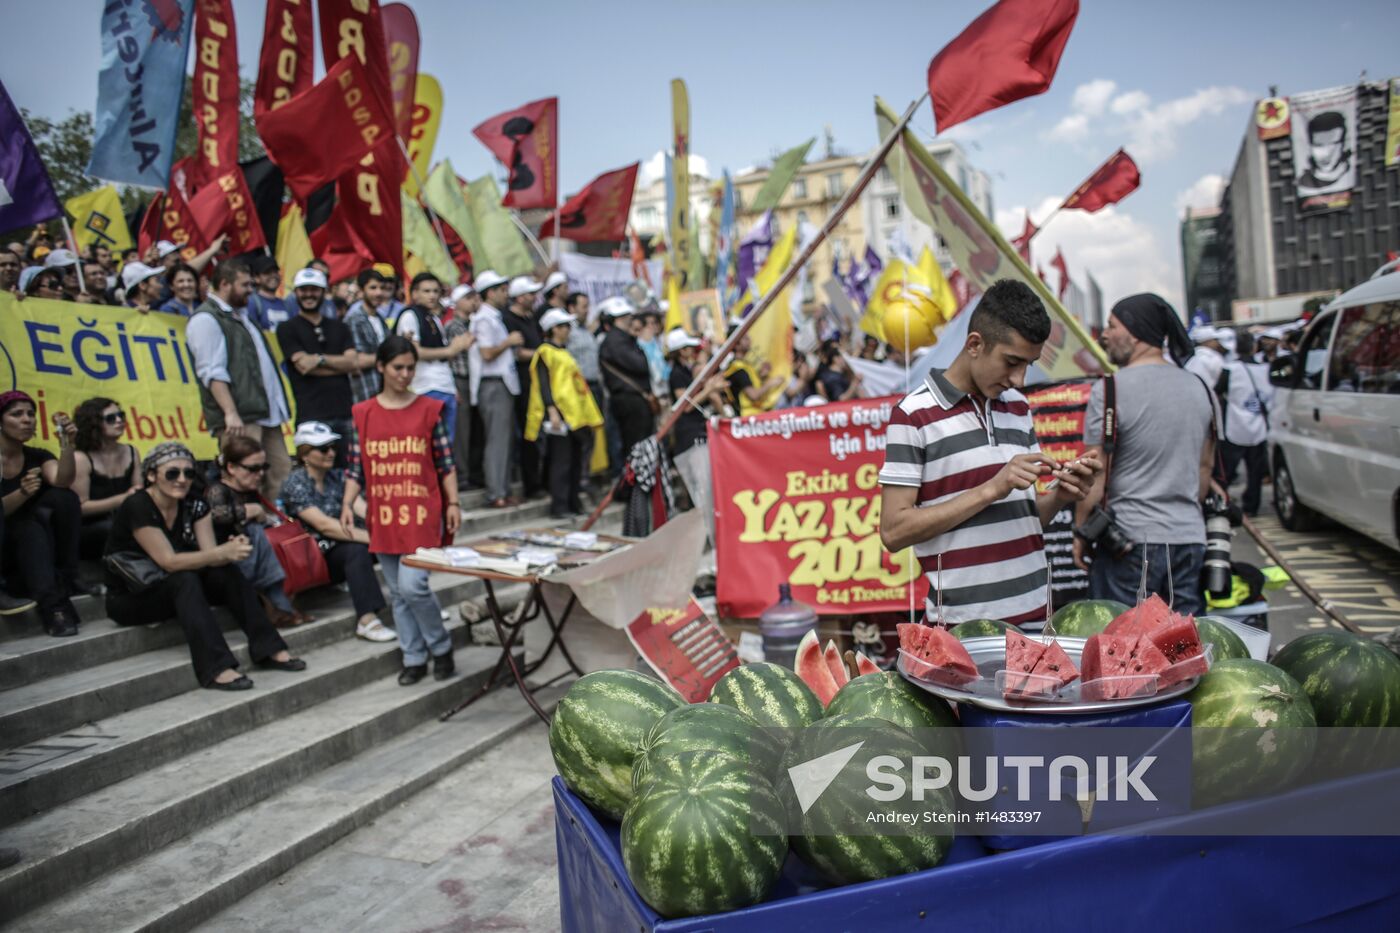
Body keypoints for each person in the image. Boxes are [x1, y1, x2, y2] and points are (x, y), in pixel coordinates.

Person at [879, 280, 1102, 626]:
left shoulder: (1018, 406)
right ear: (974, 344)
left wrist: (1062, 495)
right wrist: (992, 488)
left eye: (1028, 364)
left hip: (1036, 621)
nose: (1019, 378)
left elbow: (1024, 520)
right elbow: (893, 532)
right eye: (1011, 361)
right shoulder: (913, 414)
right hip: (963, 631)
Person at [104, 442, 305, 690]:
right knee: (184, 579)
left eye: (188, 473)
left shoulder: (195, 504)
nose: (181, 479)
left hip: (175, 586)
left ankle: (268, 646)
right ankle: (216, 666)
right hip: (132, 595)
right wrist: (219, 553)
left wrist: (232, 550)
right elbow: (168, 561)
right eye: (172, 473)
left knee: (224, 572)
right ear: (151, 475)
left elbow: (209, 556)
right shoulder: (138, 505)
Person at [1073, 293, 1219, 616]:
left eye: (1112, 326)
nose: (1104, 335)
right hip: (1190, 544)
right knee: (1183, 653)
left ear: (1135, 333)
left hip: (1130, 547)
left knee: (1124, 653)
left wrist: (1081, 531)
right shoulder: (1202, 388)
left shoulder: (1110, 390)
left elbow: (1094, 474)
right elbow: (1204, 474)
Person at [342, 337, 461, 685]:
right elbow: (354, 468)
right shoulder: (363, 414)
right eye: (398, 367)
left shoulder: (428, 409)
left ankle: (440, 648)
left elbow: (446, 463)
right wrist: (347, 504)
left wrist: (453, 502)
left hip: (423, 513)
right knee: (397, 592)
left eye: (411, 367)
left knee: (412, 587)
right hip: (384, 513)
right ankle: (414, 657)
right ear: (380, 367)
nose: (405, 374)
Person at [187, 261, 293, 498]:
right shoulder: (206, 319)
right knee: (244, 478)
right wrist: (230, 412)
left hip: (265, 413)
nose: (250, 290)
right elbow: (212, 371)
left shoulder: (241, 316)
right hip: (241, 417)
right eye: (244, 284)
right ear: (224, 284)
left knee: (280, 471)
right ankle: (248, 528)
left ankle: (277, 527)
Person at [281, 422, 394, 643]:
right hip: (313, 558)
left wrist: (388, 530)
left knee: (387, 545)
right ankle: (367, 618)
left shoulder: (338, 477)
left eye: (332, 447)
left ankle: (415, 601)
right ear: (304, 453)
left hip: (343, 547)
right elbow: (324, 526)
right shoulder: (295, 483)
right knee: (357, 549)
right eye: (323, 449)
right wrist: (377, 539)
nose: (331, 453)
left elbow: (363, 509)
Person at [0, 392, 88, 636]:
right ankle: (54, 608)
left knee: (64, 497)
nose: (27, 420)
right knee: (28, 529)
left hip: (35, 547)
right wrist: (22, 494)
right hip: (6, 547)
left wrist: (67, 444)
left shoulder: (37, 456)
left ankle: (66, 576)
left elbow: (62, 480)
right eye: (16, 414)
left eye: (30, 414)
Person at [206, 433, 309, 628]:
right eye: (253, 469)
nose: (260, 474)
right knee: (255, 533)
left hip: (254, 556)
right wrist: (248, 511)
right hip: (229, 560)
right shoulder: (218, 490)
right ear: (231, 468)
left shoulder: (250, 490)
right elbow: (216, 515)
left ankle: (280, 605)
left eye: (263, 467)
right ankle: (279, 606)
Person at [276, 267, 363, 462]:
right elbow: (303, 366)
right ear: (296, 292)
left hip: (344, 412)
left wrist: (319, 360)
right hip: (311, 413)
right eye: (303, 289)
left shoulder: (340, 327)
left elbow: (354, 363)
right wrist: (338, 364)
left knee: (347, 472)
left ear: (324, 292)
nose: (309, 294)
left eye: (314, 289)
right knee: (312, 474)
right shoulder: (287, 329)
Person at [526, 309, 604, 519]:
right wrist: (552, 411)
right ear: (553, 329)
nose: (567, 330)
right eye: (563, 326)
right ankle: (559, 505)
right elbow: (544, 384)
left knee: (576, 460)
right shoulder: (545, 352)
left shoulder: (564, 352)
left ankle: (573, 502)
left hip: (576, 414)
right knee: (562, 461)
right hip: (560, 415)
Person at [395, 272, 473, 444]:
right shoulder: (410, 316)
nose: (432, 296)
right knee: (429, 443)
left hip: (444, 386)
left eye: (435, 291)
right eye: (426, 291)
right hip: (424, 387)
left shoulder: (434, 318)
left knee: (446, 444)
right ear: (414, 293)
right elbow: (414, 352)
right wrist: (451, 350)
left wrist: (452, 387)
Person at [666, 328, 727, 544]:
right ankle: (713, 540)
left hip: (698, 435)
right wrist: (708, 389)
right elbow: (685, 406)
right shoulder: (676, 374)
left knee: (709, 490)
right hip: (690, 439)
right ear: (680, 351)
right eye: (687, 348)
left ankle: (716, 538)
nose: (691, 351)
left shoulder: (685, 370)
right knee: (703, 492)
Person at [468, 271, 523, 508]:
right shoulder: (483, 319)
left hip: (503, 383)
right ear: (490, 292)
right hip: (492, 384)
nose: (505, 294)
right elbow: (487, 353)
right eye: (501, 290)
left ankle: (502, 488)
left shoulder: (494, 317)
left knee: (505, 439)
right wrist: (508, 343)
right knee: (496, 440)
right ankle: (495, 492)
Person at [72, 397, 142, 558]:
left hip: (123, 520)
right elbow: (80, 507)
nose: (119, 421)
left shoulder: (131, 451)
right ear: (94, 423)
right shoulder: (81, 458)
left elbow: (138, 493)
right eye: (111, 418)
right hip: (91, 527)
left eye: (121, 415)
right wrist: (123, 498)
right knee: (113, 528)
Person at [1219, 333, 1274, 517]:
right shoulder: (1265, 369)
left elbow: (1218, 391)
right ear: (1254, 347)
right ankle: (1252, 506)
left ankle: (1222, 501)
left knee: (1226, 470)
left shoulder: (1229, 369)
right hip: (1257, 426)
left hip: (1235, 425)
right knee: (1255, 472)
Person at [598, 296, 658, 461]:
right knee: (635, 446)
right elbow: (640, 365)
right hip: (629, 401)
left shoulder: (624, 340)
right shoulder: (616, 341)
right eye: (625, 316)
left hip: (635, 400)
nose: (630, 320)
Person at [505, 276, 545, 498]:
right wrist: (545, 354)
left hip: (536, 383)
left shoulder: (531, 319)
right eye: (530, 294)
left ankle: (538, 480)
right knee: (528, 433)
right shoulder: (508, 319)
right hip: (522, 383)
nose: (534, 297)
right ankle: (531, 484)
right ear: (519, 297)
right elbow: (518, 353)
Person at [444, 283, 484, 491]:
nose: (473, 301)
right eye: (468, 298)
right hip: (461, 379)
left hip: (476, 380)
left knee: (477, 430)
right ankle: (462, 475)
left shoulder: (476, 323)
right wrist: (453, 386)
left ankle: (475, 472)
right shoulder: (453, 326)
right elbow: (449, 357)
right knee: (462, 430)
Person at [343, 266, 396, 404]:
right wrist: (391, 355)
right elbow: (357, 360)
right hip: (366, 392)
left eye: (382, 288)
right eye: (373, 288)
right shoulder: (354, 320)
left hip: (386, 392)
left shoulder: (380, 319)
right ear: (361, 291)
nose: (379, 293)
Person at [723, 325, 784, 416]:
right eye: (745, 338)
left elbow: (750, 385)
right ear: (736, 344)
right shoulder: (737, 368)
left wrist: (761, 376)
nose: (749, 340)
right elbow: (753, 395)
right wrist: (770, 383)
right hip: (748, 417)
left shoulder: (744, 365)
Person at [244, 255, 291, 330]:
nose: (273, 276)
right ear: (256, 278)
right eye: (267, 272)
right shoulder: (251, 303)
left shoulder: (287, 304)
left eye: (275, 271)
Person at [1185, 324, 1226, 389]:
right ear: (1207, 341)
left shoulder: (1192, 358)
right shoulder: (1213, 357)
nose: (1217, 342)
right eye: (1215, 339)